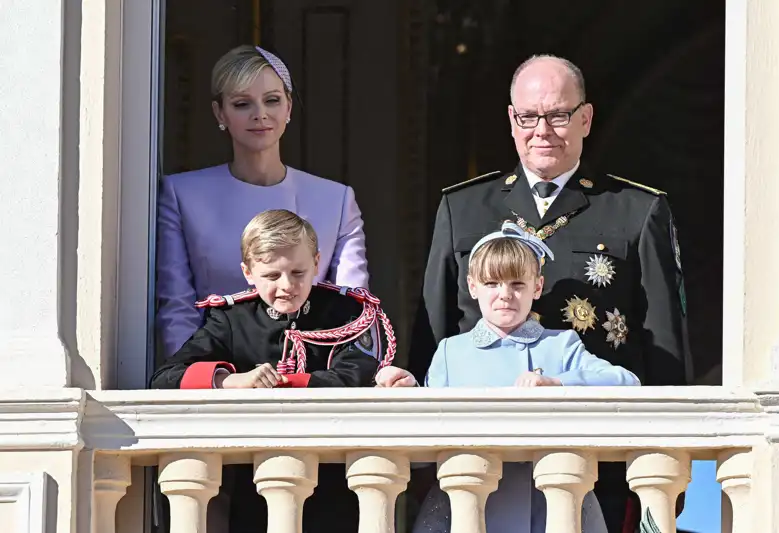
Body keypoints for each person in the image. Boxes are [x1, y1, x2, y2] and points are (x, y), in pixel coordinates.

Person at [411, 54, 691, 532]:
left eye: (558, 115)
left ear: (585, 118)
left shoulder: (636, 210)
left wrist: (668, 459)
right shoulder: (463, 207)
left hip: (600, 455)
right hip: (478, 460)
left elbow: (663, 345)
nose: (542, 130)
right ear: (511, 120)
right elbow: (433, 332)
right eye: (528, 117)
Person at [151, 209, 413, 533]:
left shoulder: (346, 312)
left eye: (298, 272)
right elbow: (166, 377)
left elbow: (355, 376)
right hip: (256, 480)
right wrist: (231, 381)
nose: (287, 285)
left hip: (335, 477)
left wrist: (281, 382)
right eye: (272, 276)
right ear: (248, 272)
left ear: (317, 263)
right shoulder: (233, 320)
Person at [413, 222, 639, 533]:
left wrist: (559, 384)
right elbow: (423, 431)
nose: (505, 295)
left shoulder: (561, 344)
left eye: (517, 284)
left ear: (537, 286)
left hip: (551, 507)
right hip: (469, 506)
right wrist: (407, 388)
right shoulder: (451, 352)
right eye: (492, 283)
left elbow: (626, 382)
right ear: (472, 286)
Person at [157, 44, 369, 359]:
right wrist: (205, 382)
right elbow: (177, 309)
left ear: (289, 108)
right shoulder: (181, 194)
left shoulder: (336, 199)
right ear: (220, 113)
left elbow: (354, 309)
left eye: (272, 100)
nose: (260, 114)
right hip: (218, 383)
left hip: (311, 379)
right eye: (243, 103)